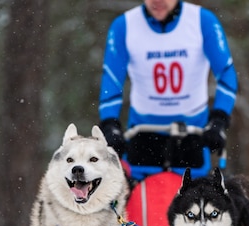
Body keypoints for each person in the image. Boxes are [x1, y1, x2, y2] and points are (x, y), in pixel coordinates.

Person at [98, 0, 238, 172]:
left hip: (192, 131)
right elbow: (111, 79)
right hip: (143, 132)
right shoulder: (124, 25)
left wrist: (219, 120)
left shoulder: (203, 21)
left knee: (194, 196)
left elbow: (226, 73)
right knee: (138, 196)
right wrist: (110, 124)